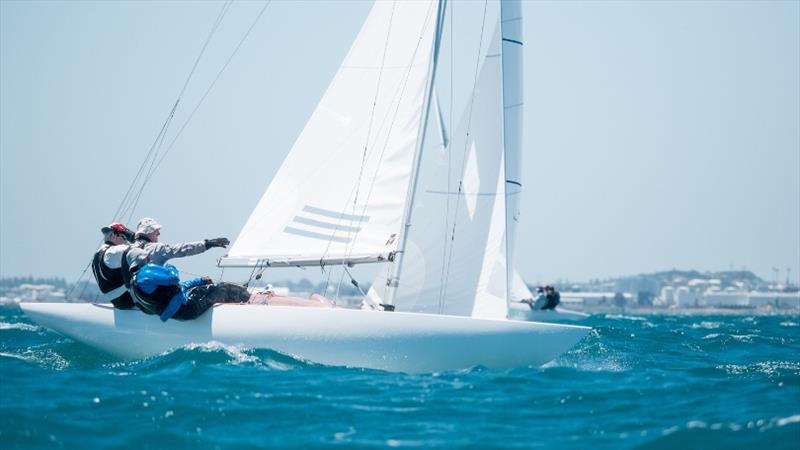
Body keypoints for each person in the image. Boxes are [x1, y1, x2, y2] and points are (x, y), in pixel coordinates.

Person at [91, 223, 136, 309]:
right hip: (127, 300)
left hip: (116, 300)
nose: (126, 241)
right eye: (124, 237)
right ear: (113, 236)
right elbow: (141, 249)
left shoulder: (98, 253)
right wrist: (134, 237)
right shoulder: (113, 252)